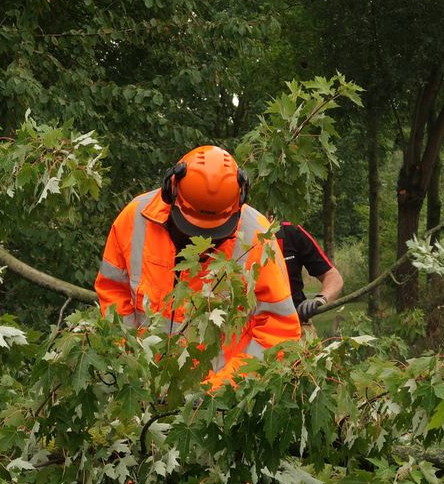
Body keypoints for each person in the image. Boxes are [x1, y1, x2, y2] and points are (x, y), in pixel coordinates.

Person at [94, 145, 301, 388]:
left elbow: (279, 331)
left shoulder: (257, 235)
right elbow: (113, 292)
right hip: (143, 387)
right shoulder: (136, 218)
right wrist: (127, 360)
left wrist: (223, 388)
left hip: (220, 400)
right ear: (171, 189)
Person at [275, 222, 344, 323]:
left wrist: (320, 300)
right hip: (251, 327)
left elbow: (333, 278)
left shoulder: (291, 232)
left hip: (297, 323)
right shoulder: (243, 237)